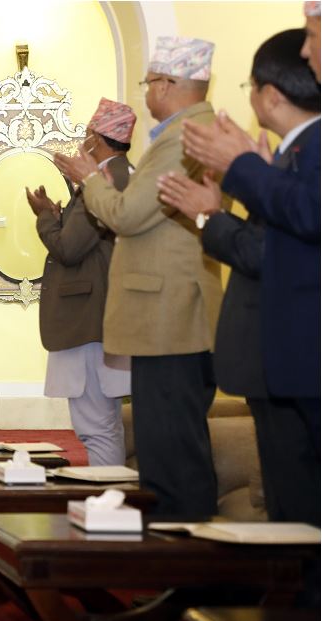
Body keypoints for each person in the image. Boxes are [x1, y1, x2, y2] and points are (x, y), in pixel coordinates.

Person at [54, 36, 223, 517]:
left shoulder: (185, 138)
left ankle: (187, 571)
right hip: (166, 314)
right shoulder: (185, 133)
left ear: (168, 84)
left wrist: (90, 179)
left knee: (172, 455)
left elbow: (128, 217)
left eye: (150, 82)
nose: (146, 92)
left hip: (170, 315)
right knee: (163, 450)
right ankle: (177, 567)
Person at [160, 29, 321, 526]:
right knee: (292, 509)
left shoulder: (311, 146)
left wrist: (217, 207)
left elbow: (285, 238)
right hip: (286, 354)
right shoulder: (292, 153)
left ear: (269, 95)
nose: (308, 51)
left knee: (300, 512)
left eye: (314, 35)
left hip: (296, 349)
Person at [27, 98, 136, 467]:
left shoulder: (106, 179)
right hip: (98, 315)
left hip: (88, 318)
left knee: (96, 425)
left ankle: (110, 510)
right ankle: (112, 504)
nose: (83, 140)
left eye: (88, 133)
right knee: (101, 423)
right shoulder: (119, 174)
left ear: (97, 140)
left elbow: (70, 248)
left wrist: (45, 217)